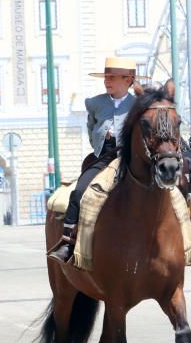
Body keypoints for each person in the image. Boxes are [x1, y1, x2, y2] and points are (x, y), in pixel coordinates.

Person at [48, 55, 139, 264]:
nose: (107, 80)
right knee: (79, 190)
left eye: (112, 77)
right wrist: (100, 143)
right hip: (104, 157)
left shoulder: (138, 105)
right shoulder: (96, 103)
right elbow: (91, 129)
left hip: (130, 159)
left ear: (127, 80)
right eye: (106, 76)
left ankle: (182, 239)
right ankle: (68, 241)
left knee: (166, 191)